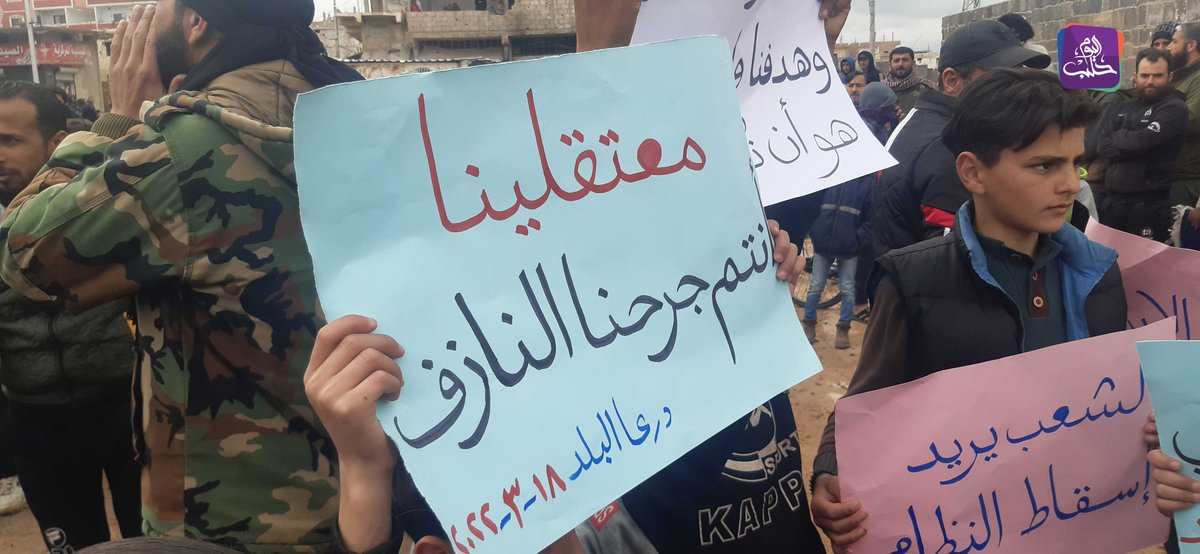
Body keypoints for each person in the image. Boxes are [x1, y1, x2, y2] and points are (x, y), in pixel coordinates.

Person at [314, 1, 851, 552]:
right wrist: (362, 475)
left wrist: (745, 274)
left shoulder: (667, 301)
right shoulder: (514, 433)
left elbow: (643, 208)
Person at [0, 1, 363, 551]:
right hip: (358, 499)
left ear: (197, 23)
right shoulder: (346, 111)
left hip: (221, 517)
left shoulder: (182, 147)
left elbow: (22, 254)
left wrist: (115, 122)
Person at [810, 68, 1126, 551]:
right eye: (1044, 166)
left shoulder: (1101, 275)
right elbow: (866, 399)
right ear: (972, 172)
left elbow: (1119, 414)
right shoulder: (912, 279)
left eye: (1075, 164)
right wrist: (830, 469)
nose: (1069, 185)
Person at [0, 81, 143, 551]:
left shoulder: (104, 202)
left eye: (11, 141)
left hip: (123, 407)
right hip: (37, 422)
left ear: (58, 144)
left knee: (150, 539)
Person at [871, 19, 1050, 261]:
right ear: (952, 80)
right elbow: (955, 262)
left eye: (1020, 75)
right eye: (1001, 78)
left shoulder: (924, 118)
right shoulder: (952, 146)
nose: (1017, 89)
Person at [801, 84, 890, 349]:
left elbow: (870, 216)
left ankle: (843, 327)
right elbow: (813, 205)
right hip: (824, 242)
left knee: (849, 288)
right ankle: (809, 323)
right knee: (815, 286)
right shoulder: (830, 173)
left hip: (850, 246)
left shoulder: (865, 181)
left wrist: (858, 239)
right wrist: (816, 231)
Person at [1086, 48, 1187, 241]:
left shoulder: (1174, 108)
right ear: (1135, 76)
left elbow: (1142, 141)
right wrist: (1132, 141)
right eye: (1145, 75)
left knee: (1146, 268)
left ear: (1170, 76)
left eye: (1157, 75)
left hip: (1148, 206)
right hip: (1114, 204)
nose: (1150, 81)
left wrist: (1120, 137)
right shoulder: (1124, 107)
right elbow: (1102, 146)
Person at [1169, 22, 1200, 211]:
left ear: (1190, 46)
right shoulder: (1178, 77)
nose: (1169, 47)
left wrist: (1159, 119)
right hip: (1171, 173)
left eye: (1174, 41)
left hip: (1187, 176)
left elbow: (1192, 119)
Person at [883, 46, 931, 117]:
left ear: (913, 63)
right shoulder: (882, 90)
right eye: (896, 61)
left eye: (905, 60)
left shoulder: (925, 91)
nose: (900, 64)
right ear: (889, 65)